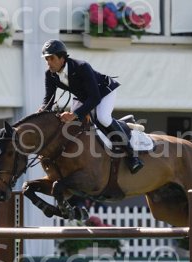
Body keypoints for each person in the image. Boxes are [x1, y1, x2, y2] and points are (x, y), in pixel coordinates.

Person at [38, 39, 143, 174]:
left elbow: (95, 98)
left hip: (103, 91)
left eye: (51, 58)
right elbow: (48, 99)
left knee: (102, 118)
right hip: (83, 96)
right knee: (72, 125)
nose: (48, 62)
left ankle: (132, 156)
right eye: (46, 59)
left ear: (62, 58)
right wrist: (42, 111)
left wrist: (74, 114)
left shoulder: (81, 67)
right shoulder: (50, 74)